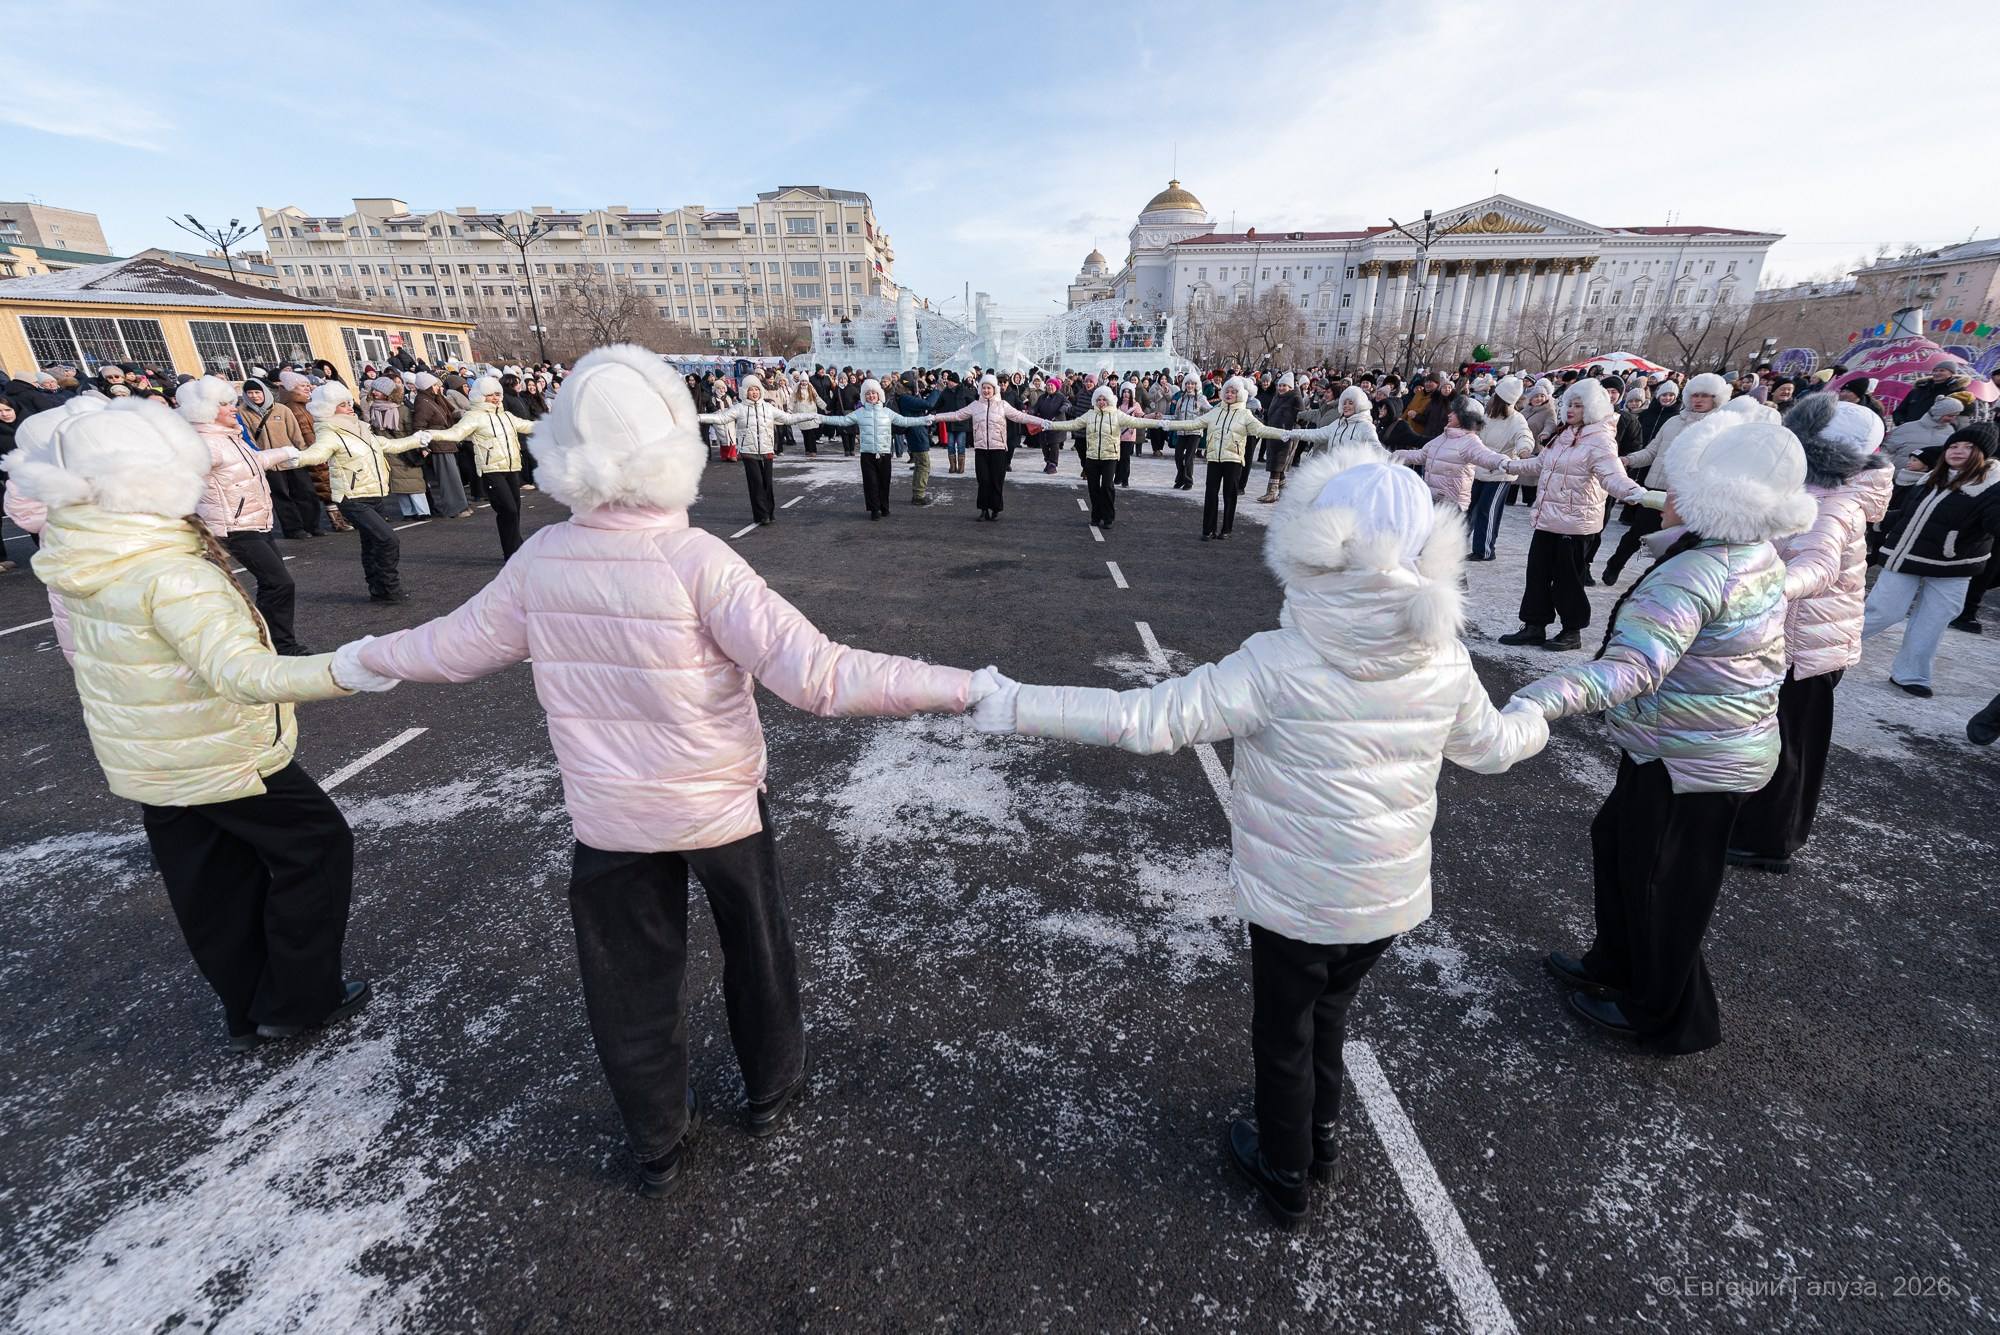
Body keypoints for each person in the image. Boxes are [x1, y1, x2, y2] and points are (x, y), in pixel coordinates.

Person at [350, 344, 984, 1196]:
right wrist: (959, 687)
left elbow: (448, 649)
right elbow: (823, 675)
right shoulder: (696, 560)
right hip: (720, 801)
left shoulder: (542, 558)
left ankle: (656, 1134)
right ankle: (770, 1085)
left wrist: (356, 658)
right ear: (673, 445)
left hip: (609, 814)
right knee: (756, 947)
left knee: (628, 979)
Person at [970, 446, 1548, 1228]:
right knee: (1330, 1011)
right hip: (1385, 895)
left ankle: (1285, 1169)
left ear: (1322, 543)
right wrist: (1539, 713)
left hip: (1296, 899)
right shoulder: (1443, 658)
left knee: (1283, 1031)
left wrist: (1018, 703)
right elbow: (1492, 748)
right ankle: (1322, 1140)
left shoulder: (1279, 661)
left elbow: (1146, 720)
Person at [2, 396, 394, 1050]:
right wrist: (348, 667)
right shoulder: (170, 570)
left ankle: (248, 1009)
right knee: (316, 844)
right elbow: (242, 672)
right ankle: (301, 998)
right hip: (219, 753)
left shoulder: (81, 551)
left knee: (211, 883)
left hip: (149, 758)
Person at [1513, 414, 1816, 1055]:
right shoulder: (1744, 551)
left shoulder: (1699, 570)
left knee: (1665, 881)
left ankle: (1667, 1012)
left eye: (1675, 484)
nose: (1664, 493)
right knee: (1620, 845)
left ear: (1710, 498)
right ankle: (1617, 964)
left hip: (1695, 758)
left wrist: (1535, 701)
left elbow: (1634, 669)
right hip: (1682, 742)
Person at [1727, 398, 1894, 874]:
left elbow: (1817, 568)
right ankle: (1762, 826)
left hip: (1807, 647)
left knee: (1788, 744)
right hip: (1794, 638)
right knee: (1776, 738)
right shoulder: (1813, 494)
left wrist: (1760, 585)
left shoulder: (1833, 505)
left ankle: (1770, 839)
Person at [1497, 380, 1653, 650]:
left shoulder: (1600, 440)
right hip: (1548, 518)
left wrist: (1634, 492)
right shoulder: (1564, 435)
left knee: (1568, 581)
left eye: (1578, 405)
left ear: (1592, 408)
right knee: (1537, 575)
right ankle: (1534, 625)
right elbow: (1540, 463)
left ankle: (1572, 630)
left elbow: (1612, 475)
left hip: (1576, 524)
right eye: (1569, 403)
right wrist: (1507, 464)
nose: (1571, 409)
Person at [175, 376, 312, 655]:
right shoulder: (203, 443)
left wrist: (284, 452)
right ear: (206, 410)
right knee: (279, 583)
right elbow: (180, 482)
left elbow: (254, 461)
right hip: (233, 527)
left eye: (231, 401)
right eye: (224, 404)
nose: (233, 407)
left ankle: (269, 642)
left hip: (255, 521)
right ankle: (280, 646)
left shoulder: (229, 436)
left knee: (274, 583)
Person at [1862, 424, 2000, 697]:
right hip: (1905, 557)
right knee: (1883, 612)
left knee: (1934, 621)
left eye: (1969, 448)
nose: (1959, 451)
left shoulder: (1991, 488)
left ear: (1983, 454)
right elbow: (1908, 515)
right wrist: (1872, 520)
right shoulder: (1930, 478)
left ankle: (1911, 674)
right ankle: (1822, 651)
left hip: (1954, 567)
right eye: (1954, 446)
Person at [288, 382, 433, 602]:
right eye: (342, 405)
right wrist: (297, 457)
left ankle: (378, 589)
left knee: (372, 543)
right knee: (388, 540)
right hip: (352, 497)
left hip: (374, 493)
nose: (348, 408)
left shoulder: (362, 428)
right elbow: (317, 454)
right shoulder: (330, 432)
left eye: (348, 403)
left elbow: (389, 445)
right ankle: (391, 587)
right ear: (328, 409)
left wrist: (416, 440)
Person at [419, 375, 539, 557]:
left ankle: (516, 550)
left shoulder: (506, 415)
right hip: (492, 470)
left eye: (497, 394)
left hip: (512, 468)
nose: (495, 398)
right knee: (508, 510)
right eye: (490, 394)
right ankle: (513, 553)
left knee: (514, 511)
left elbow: (527, 425)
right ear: (480, 396)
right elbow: (456, 433)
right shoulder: (473, 416)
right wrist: (431, 434)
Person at [1164, 376, 1293, 541]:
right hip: (1214, 459)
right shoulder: (1215, 411)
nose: (1229, 394)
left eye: (1233, 391)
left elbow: (1261, 430)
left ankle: (1226, 528)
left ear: (1239, 394)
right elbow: (1192, 424)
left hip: (1233, 460)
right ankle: (1208, 529)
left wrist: (1284, 434)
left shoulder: (1245, 414)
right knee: (1210, 493)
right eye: (1227, 391)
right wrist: (1168, 424)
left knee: (1229, 495)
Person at [696, 374, 820, 526]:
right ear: (745, 392)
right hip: (749, 451)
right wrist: (698, 417)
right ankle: (761, 515)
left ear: (760, 391)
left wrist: (809, 416)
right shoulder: (739, 408)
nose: (754, 392)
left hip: (767, 449)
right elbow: (721, 418)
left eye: (756, 389)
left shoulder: (768, 408)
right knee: (756, 483)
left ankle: (770, 512)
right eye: (751, 390)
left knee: (767, 483)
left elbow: (788, 419)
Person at [929, 373, 1048, 521]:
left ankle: (995, 509)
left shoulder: (1002, 405)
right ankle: (984, 509)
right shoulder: (975, 405)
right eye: (983, 388)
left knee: (997, 480)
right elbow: (956, 415)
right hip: (981, 449)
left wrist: (1041, 421)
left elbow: (1021, 417)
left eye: (989, 388)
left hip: (998, 448)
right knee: (983, 480)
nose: (986, 391)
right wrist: (935, 417)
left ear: (994, 389)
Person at [1044, 385, 1158, 530]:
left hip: (1110, 456)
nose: (1101, 402)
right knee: (1093, 487)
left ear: (1109, 400)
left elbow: (1137, 422)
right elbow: (1072, 424)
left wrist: (1157, 423)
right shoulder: (1090, 415)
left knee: (1107, 486)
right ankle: (1096, 516)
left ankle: (1108, 517)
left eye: (1104, 399)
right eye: (1099, 399)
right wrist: (1052, 425)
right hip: (1092, 456)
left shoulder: (1117, 414)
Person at [819, 378, 935, 520]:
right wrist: (822, 418)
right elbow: (842, 421)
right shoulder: (860, 412)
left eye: (874, 393)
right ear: (864, 396)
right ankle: (874, 510)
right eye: (868, 393)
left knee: (884, 482)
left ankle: (884, 507)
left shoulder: (887, 412)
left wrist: (924, 419)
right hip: (867, 454)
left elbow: (905, 420)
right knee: (871, 483)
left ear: (879, 394)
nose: (871, 396)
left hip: (884, 453)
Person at [1388, 394, 1518, 518]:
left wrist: (1504, 462)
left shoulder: (1469, 441)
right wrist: (1395, 455)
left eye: (1454, 412)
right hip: (1433, 499)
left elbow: (1485, 456)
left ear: (1465, 417)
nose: (1449, 415)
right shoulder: (1443, 437)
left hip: (1452, 505)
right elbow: (1421, 455)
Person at [1467, 377, 1535, 561]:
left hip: (1499, 474)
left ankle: (1484, 551)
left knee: (1486, 511)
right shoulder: (1488, 416)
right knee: (1470, 508)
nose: (1491, 399)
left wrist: (1524, 450)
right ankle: (1456, 543)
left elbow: (1524, 436)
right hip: (1480, 469)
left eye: (1495, 397)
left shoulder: (1516, 420)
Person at [1255, 373, 1304, 503]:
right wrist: (1263, 412)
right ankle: (1285, 491)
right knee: (1275, 463)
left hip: (1287, 434)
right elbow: (1275, 412)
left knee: (1278, 463)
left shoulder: (1295, 398)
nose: (1281, 388)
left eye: (1284, 386)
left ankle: (1272, 492)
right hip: (1274, 432)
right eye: (1280, 385)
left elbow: (1302, 417)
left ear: (1290, 387)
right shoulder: (1277, 397)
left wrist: (1294, 423)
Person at [1032, 376, 1072, 475]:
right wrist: (1030, 412)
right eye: (1048, 385)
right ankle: (1048, 461)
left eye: (1052, 385)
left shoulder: (1061, 397)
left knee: (1054, 445)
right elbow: (1035, 408)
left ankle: (1053, 464)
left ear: (1056, 387)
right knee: (1044, 444)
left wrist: (1064, 408)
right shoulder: (1042, 397)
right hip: (1044, 425)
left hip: (1057, 425)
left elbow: (1068, 404)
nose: (1050, 387)